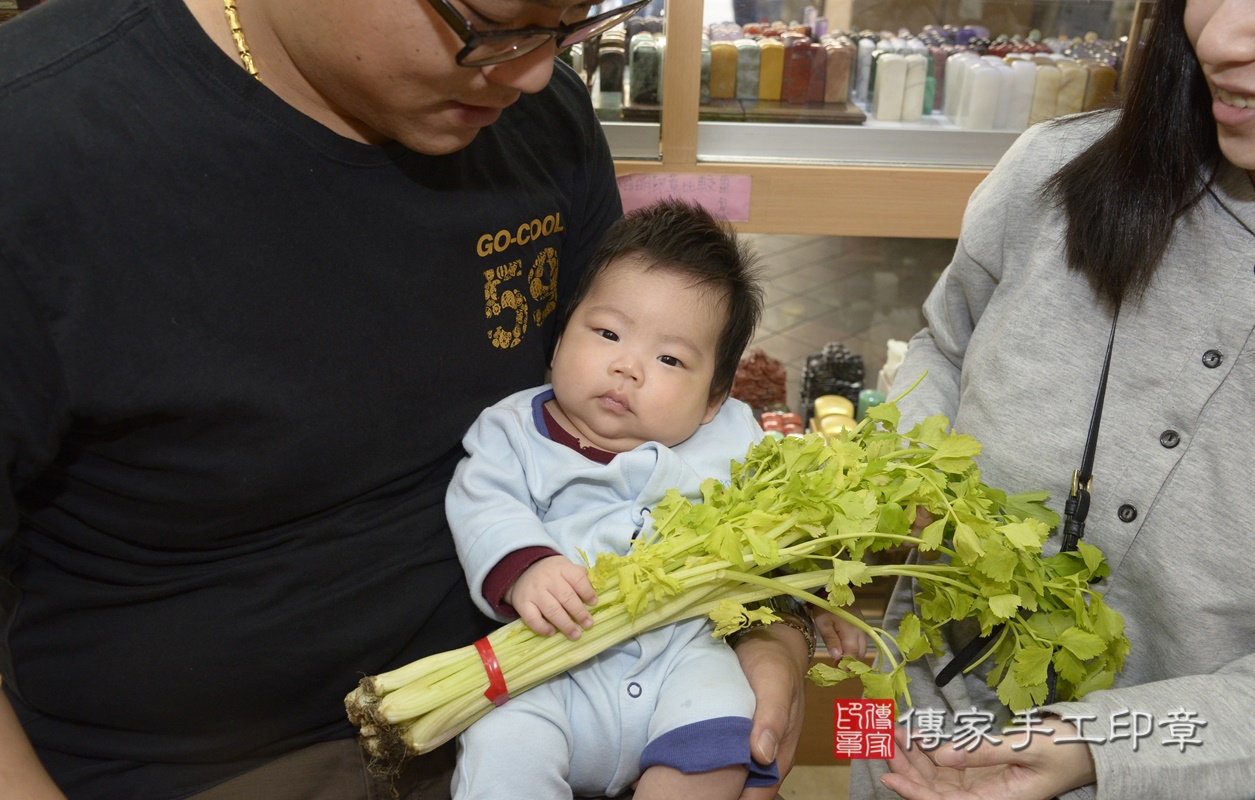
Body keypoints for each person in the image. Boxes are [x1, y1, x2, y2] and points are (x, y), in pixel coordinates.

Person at [0, 2, 818, 798]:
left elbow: (644, 433)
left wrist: (768, 631)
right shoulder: (39, 138)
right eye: (488, 24)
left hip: (555, 687)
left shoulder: (537, 118)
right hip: (223, 764)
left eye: (570, 18)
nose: (536, 72)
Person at [851, 0, 1255, 798]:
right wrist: (908, 473)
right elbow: (943, 343)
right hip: (918, 726)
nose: (1216, 37)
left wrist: (1094, 748)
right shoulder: (1051, 167)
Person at [447, 199, 771, 799]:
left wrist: (816, 592)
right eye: (607, 333)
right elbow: (482, 502)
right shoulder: (514, 430)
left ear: (713, 399)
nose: (627, 367)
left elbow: (781, 518)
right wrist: (528, 566)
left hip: (682, 658)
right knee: (502, 744)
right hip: (549, 663)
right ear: (561, 333)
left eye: (670, 358)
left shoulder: (733, 438)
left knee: (724, 737)